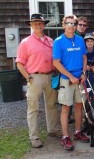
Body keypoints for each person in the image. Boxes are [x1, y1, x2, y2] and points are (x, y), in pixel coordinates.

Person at [16, 13, 60, 148]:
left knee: (52, 105)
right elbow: (19, 63)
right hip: (34, 77)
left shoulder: (50, 41)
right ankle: (34, 136)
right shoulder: (25, 42)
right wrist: (28, 78)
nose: (38, 25)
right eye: (35, 23)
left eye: (40, 23)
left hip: (50, 76)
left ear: (44, 25)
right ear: (31, 25)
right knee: (33, 108)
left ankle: (52, 130)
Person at [53, 15, 90, 151]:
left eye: (74, 23)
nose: (71, 26)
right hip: (66, 79)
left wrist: (83, 73)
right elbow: (56, 62)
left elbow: (84, 57)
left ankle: (77, 132)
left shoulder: (80, 39)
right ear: (63, 25)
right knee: (66, 108)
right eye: (68, 23)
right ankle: (65, 136)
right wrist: (70, 76)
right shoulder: (58, 41)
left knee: (79, 106)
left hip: (80, 78)